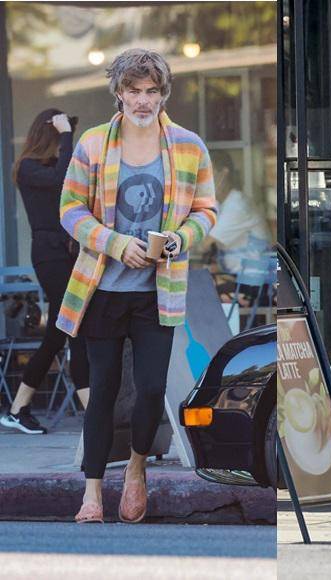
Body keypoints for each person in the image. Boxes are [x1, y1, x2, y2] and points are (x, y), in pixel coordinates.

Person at [58, 49, 217, 524]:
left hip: (157, 291)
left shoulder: (189, 146)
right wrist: (112, 242)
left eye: (151, 91)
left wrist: (177, 239)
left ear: (163, 93)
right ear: (119, 93)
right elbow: (69, 209)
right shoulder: (91, 145)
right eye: (133, 90)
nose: (143, 100)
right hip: (101, 290)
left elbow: (206, 212)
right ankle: (91, 493)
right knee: (104, 389)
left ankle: (135, 469)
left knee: (149, 390)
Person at [1, 109, 90, 435]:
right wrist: (66, 134)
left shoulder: (53, 166)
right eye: (62, 138)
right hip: (50, 256)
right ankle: (94, 415)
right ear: (50, 136)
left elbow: (72, 180)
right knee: (75, 325)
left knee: (58, 332)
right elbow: (61, 180)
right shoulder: (27, 168)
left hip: (66, 254)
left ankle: (18, 408)